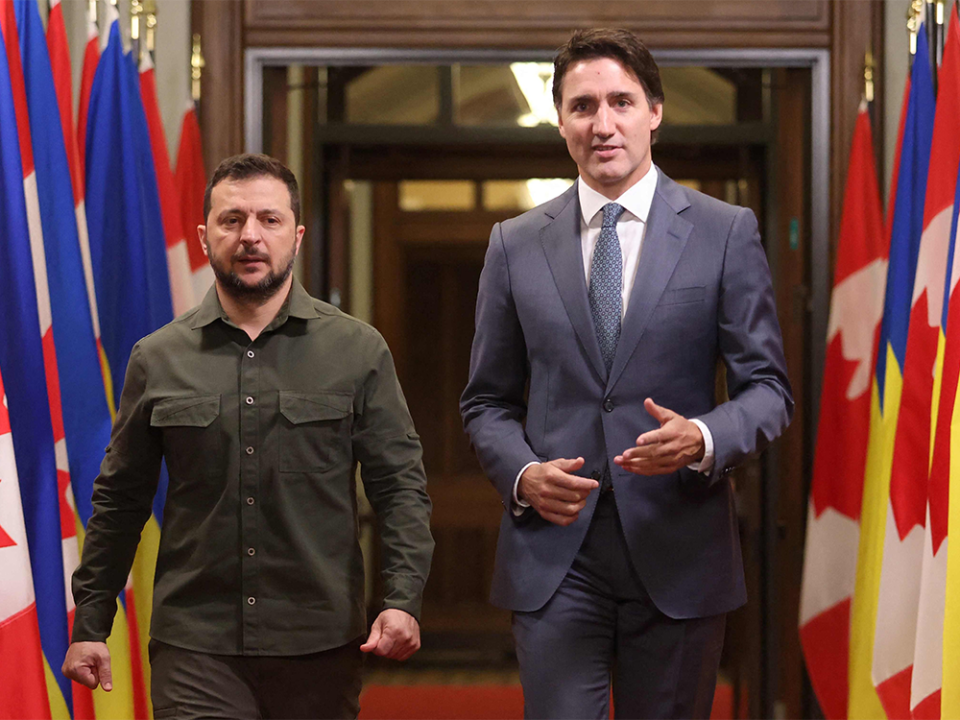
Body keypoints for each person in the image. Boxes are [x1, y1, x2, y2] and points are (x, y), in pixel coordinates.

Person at [460, 28, 793, 720]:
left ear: (655, 111)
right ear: (561, 121)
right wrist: (522, 474)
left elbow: (768, 391)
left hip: (679, 547)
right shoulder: (513, 245)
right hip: (555, 554)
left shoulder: (724, 231)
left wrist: (703, 434)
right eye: (583, 106)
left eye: (621, 101)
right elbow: (487, 403)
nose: (603, 124)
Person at [63, 154, 434, 720]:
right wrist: (91, 621)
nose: (250, 236)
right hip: (196, 644)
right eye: (231, 220)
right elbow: (120, 498)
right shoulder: (158, 358)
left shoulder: (358, 352)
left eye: (269, 219)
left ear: (297, 235)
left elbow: (400, 487)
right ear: (204, 237)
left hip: (319, 643)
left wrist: (402, 600)